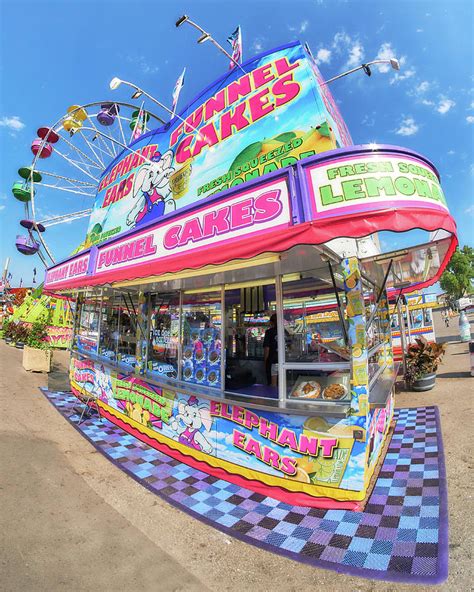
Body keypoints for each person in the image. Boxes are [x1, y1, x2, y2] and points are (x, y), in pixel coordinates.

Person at [263, 313, 278, 386]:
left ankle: (273, 396)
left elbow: (267, 349)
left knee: (272, 385)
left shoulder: (269, 332)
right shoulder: (285, 331)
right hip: (283, 361)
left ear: (271, 322)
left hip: (273, 361)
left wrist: (265, 362)